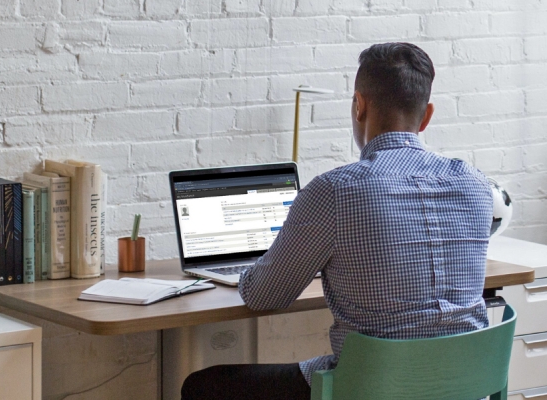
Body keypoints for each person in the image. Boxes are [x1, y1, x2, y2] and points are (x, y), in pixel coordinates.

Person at [181, 42, 493, 400]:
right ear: (427, 116)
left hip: (371, 388)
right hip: (465, 387)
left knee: (203, 386)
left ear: (359, 106)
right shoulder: (476, 184)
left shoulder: (335, 191)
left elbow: (263, 295)